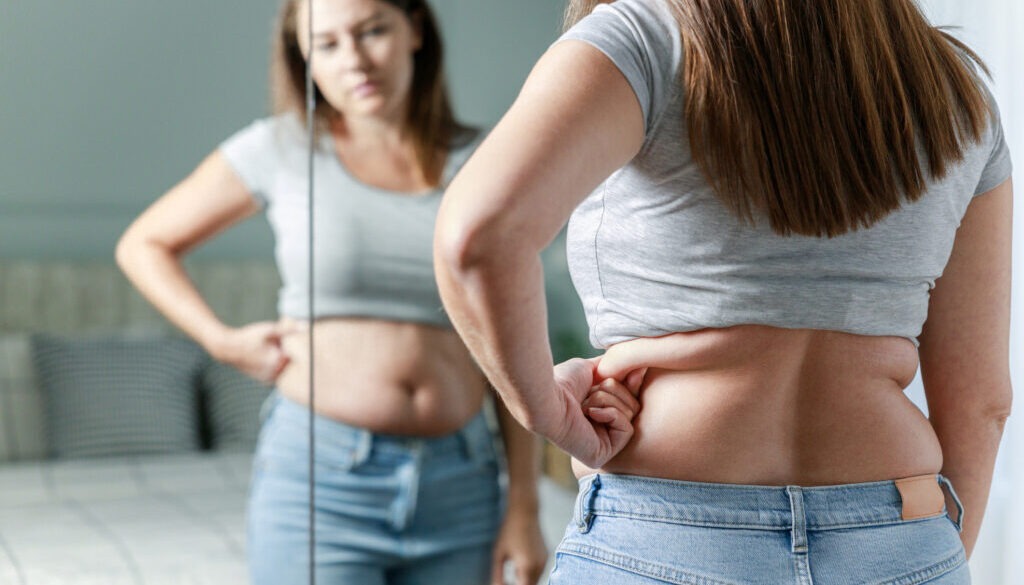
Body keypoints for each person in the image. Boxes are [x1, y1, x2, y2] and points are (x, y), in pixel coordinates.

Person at [435, 0, 1013, 583]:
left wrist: (550, 413)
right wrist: (931, 557)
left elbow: (479, 238)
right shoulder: (951, 90)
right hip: (904, 544)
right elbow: (980, 403)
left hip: (665, 537)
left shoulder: (642, 41)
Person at [115, 0, 549, 583]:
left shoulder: (486, 161)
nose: (355, 61)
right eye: (328, 44)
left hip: (463, 485)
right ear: (304, 55)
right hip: (320, 481)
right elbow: (144, 243)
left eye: (373, 32)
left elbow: (513, 345)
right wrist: (221, 342)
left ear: (415, 29)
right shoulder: (281, 149)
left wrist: (523, 504)